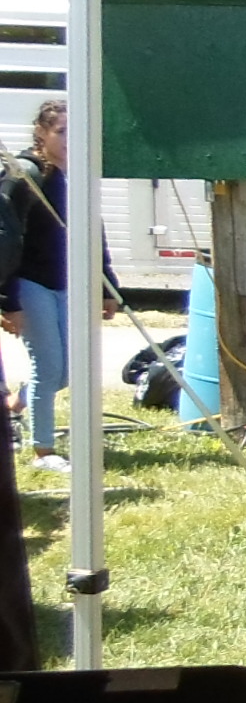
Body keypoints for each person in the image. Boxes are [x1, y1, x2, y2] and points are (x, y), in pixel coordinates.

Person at [1, 100, 116, 473]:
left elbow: (94, 232)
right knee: (48, 368)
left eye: (76, 131)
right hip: (31, 283)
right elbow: (5, 237)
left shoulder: (77, 175)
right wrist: (8, 300)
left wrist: (107, 285)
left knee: (67, 370)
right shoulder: (25, 175)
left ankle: (18, 403)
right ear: (42, 133)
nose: (70, 140)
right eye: (62, 131)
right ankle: (43, 451)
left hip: (68, 283)